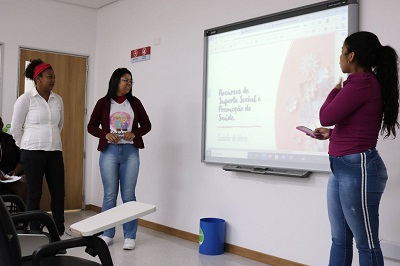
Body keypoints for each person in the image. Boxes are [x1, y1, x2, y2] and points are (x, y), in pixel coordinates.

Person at [313, 31, 399, 265]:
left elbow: (326, 115)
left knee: (366, 244)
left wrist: (335, 90)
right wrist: (332, 134)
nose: (339, 58)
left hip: (358, 169)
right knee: (339, 239)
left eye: (342, 53)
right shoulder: (364, 84)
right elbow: (356, 123)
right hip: (342, 167)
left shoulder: (361, 83)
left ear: (351, 56)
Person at [87, 68, 151, 250]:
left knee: (129, 195)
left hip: (130, 153)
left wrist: (135, 133)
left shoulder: (135, 103)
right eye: (125, 80)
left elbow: (147, 124)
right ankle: (107, 233)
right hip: (109, 152)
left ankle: (130, 236)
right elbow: (91, 126)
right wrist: (105, 134)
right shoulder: (103, 103)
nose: (128, 84)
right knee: (109, 195)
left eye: (131, 81)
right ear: (116, 81)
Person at [10, 59, 65, 236]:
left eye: (54, 77)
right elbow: (15, 129)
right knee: (34, 194)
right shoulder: (25, 99)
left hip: (54, 152)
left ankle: (58, 232)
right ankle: (33, 233)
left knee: (58, 193)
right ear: (38, 78)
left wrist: (50, 141)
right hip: (32, 153)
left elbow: (59, 125)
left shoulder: (58, 100)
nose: (53, 80)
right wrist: (25, 147)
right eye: (49, 76)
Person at [0, 117, 27, 202]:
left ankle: (20, 214)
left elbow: (21, 159)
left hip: (8, 177)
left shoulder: (10, 139)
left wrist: (16, 171)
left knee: (23, 183)